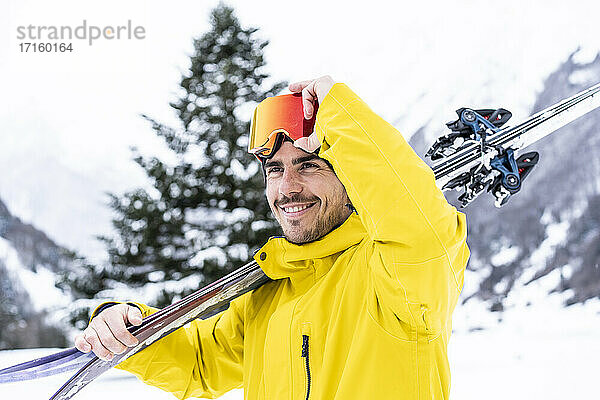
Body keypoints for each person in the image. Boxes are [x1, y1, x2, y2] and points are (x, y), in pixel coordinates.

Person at [75, 76, 470, 399]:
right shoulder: (269, 292)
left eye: (309, 165)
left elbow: (417, 221)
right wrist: (126, 327)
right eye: (275, 170)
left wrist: (339, 109)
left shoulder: (397, 275)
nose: (288, 187)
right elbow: (198, 363)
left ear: (350, 176)